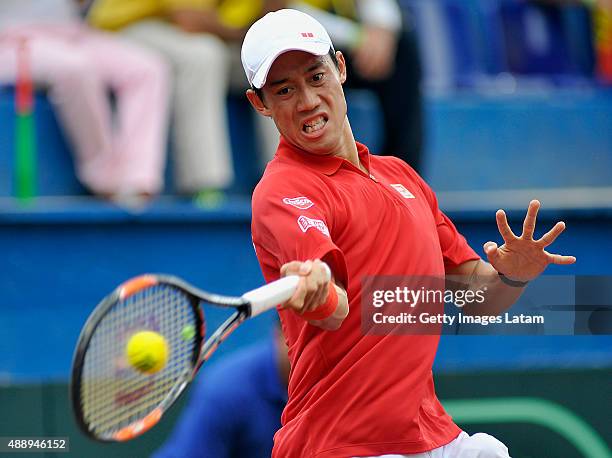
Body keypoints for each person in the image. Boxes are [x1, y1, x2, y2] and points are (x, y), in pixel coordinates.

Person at [242, 9, 576, 458]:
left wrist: (514, 275)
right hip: (341, 444)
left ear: (341, 68)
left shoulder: (401, 176)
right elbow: (333, 308)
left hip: (429, 434)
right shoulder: (283, 190)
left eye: (316, 76)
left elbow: (481, 299)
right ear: (259, 103)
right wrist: (316, 291)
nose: (307, 100)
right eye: (284, 90)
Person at [88, 0, 284, 197]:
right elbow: (190, 20)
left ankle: (284, 178)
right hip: (122, 29)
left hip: (176, 29)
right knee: (201, 56)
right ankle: (204, 185)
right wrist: (252, 36)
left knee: (269, 60)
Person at [0, 0, 170, 200]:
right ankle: (106, 181)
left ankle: (139, 181)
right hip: (12, 41)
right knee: (76, 69)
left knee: (147, 69)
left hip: (73, 35)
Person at [291, 0, 424, 170]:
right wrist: (357, 37)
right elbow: (284, 14)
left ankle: (400, 173)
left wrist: (382, 29)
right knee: (295, 65)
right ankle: (305, 172)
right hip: (286, 45)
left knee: (403, 49)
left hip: (337, 39)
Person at [153, 331, 289, 458]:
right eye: (302, 339)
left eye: (311, 343)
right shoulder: (226, 390)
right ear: (279, 334)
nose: (307, 352)